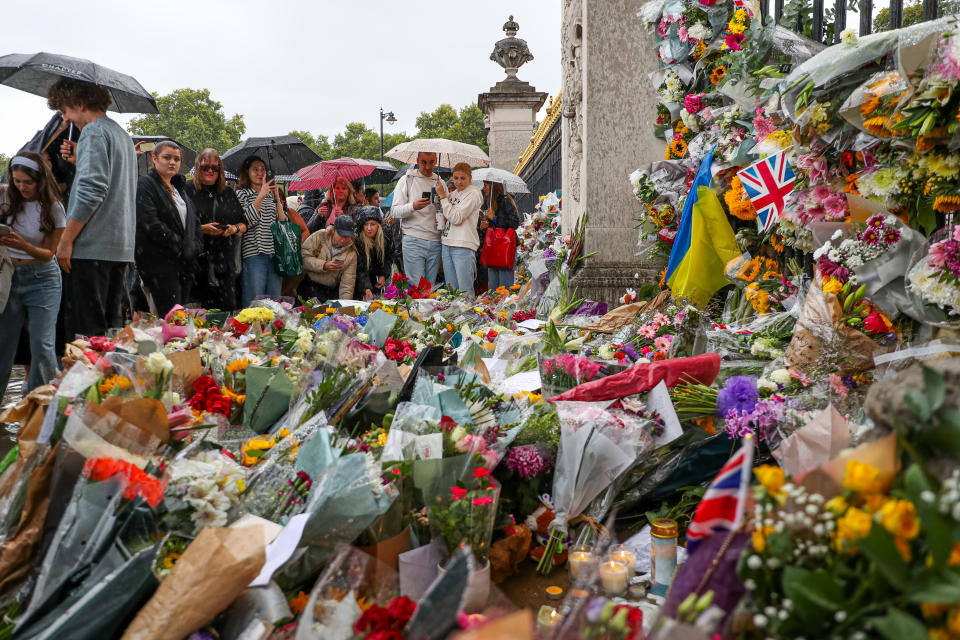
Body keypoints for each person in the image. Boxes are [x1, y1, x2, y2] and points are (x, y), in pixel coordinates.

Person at [48, 77, 137, 339]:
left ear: (79, 103)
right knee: (107, 336)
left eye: (64, 110)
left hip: (91, 249)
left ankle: (86, 383)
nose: (64, 119)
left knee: (84, 339)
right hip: (118, 248)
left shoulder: (94, 132)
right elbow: (112, 185)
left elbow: (93, 190)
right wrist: (80, 158)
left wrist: (66, 239)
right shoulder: (120, 134)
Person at [0, 152, 65, 396]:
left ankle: (41, 403)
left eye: (28, 182)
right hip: (8, 276)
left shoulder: (53, 207)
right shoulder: (6, 199)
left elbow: (49, 253)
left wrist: (22, 245)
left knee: (42, 344)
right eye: (17, 181)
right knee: (3, 344)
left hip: (43, 279)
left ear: (40, 180)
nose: (22, 186)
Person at [134, 141, 202, 315]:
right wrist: (181, 246)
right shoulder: (145, 185)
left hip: (184, 266)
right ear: (154, 159)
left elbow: (194, 223)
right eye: (167, 157)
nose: (172, 162)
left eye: (177, 159)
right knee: (166, 320)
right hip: (159, 266)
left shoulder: (180, 189)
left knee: (179, 321)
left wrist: (194, 247)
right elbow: (150, 223)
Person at [184, 148, 247, 310]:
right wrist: (201, 229)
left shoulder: (228, 193)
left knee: (227, 312)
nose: (210, 171)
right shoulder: (186, 190)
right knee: (197, 316)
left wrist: (234, 228)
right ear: (198, 168)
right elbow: (177, 223)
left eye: (215, 167)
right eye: (205, 167)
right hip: (195, 264)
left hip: (225, 265)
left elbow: (244, 224)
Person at [236, 155, 287, 306]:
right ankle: (253, 330)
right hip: (254, 254)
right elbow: (247, 221)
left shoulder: (270, 194)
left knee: (274, 303)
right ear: (247, 172)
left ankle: (273, 330)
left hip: (274, 254)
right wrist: (261, 195)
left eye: (263, 169)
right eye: (255, 169)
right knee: (254, 303)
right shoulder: (242, 193)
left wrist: (276, 196)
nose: (260, 173)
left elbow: (282, 222)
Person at [391, 152, 443, 286]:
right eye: (423, 162)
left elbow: (445, 210)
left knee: (429, 289)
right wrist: (413, 206)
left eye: (431, 162)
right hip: (413, 239)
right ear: (417, 160)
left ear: (436, 161)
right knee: (416, 289)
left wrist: (444, 218)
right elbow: (394, 211)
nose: (427, 166)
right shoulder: (407, 179)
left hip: (436, 241)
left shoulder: (440, 182)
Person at [436, 163, 483, 293]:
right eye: (456, 178)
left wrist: (443, 197)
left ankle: (468, 314)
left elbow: (456, 218)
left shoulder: (474, 193)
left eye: (463, 178)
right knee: (451, 290)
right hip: (447, 243)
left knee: (465, 291)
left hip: (463, 245)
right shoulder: (454, 194)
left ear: (470, 178)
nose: (459, 182)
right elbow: (447, 214)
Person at [300, 214, 358, 301]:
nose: (343, 240)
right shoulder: (319, 236)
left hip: (329, 292)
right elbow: (303, 259)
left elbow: (347, 285)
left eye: (347, 237)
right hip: (308, 286)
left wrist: (345, 305)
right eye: (341, 235)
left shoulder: (351, 253)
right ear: (334, 230)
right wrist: (324, 265)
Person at [481, 180, 521, 289]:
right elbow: (492, 227)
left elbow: (514, 222)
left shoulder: (505, 201)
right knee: (493, 286)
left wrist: (494, 218)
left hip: (505, 247)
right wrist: (485, 225)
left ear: (494, 187)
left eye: (486, 186)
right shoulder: (487, 203)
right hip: (493, 247)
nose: (483, 188)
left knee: (505, 286)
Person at [353, 206, 394, 300]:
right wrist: (366, 288)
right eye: (366, 224)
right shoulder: (358, 239)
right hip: (359, 276)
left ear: (378, 225)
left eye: (372, 224)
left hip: (376, 269)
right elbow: (361, 267)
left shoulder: (386, 235)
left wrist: (383, 275)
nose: (369, 228)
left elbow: (388, 257)